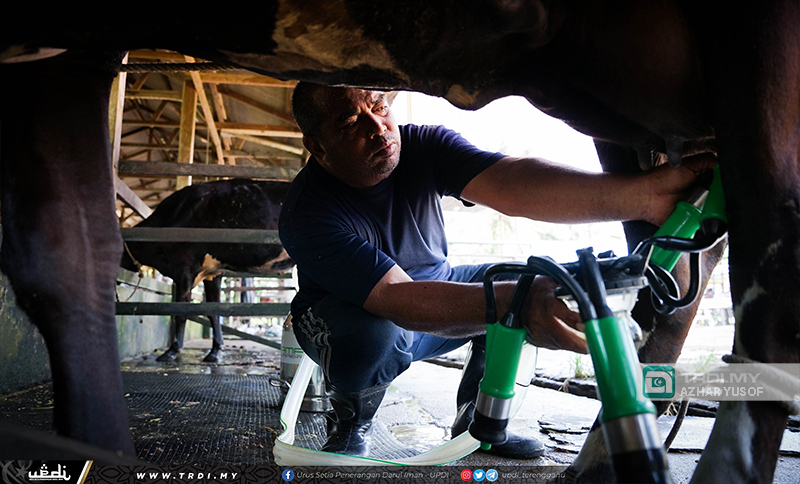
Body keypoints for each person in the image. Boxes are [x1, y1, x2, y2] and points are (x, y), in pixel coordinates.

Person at [278, 82, 713, 459]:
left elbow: (511, 183)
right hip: (350, 322)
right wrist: (513, 302)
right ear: (317, 146)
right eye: (350, 123)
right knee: (376, 330)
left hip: (435, 293)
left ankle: (480, 421)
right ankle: (352, 424)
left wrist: (643, 197)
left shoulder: (420, 146)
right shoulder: (306, 211)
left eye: (379, 106)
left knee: (524, 280)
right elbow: (396, 298)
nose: (378, 128)